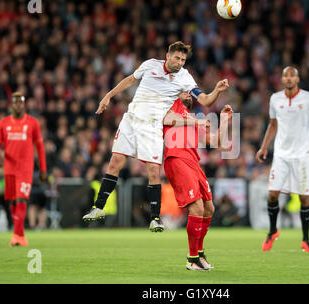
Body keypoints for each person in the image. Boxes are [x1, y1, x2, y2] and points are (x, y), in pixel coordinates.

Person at [82, 41, 229, 232]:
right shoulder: (150, 64)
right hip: (132, 119)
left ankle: (155, 218)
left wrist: (216, 90)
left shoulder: (185, 78)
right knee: (115, 162)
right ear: (168, 56)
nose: (180, 62)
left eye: (183, 59)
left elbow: (205, 100)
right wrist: (108, 95)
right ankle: (98, 207)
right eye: (177, 57)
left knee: (153, 170)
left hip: (152, 125)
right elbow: (130, 80)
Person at [255, 66, 309, 253]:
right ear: (282, 79)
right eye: (285, 76)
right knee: (273, 194)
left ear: (297, 79)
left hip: (302, 156)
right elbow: (273, 125)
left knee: (304, 198)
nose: (288, 79)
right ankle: (273, 231)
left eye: (292, 76)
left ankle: (305, 240)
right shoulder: (275, 99)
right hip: (281, 155)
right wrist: (264, 147)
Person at [163, 92, 233, 270]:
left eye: (189, 92)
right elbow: (167, 118)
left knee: (209, 208)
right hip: (177, 159)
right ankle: (192, 257)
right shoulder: (173, 105)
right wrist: (196, 121)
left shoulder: (192, 118)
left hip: (194, 163)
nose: (188, 94)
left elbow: (216, 141)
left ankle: (199, 253)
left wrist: (224, 120)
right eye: (184, 91)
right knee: (197, 207)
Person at [0, 92, 47, 246]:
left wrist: (43, 169)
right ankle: (20, 235)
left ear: (23, 104)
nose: (17, 105)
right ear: (11, 104)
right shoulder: (3, 123)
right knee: (12, 202)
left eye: (20, 102)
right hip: (9, 169)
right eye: (15, 102)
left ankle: (16, 235)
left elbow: (40, 147)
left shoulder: (32, 123)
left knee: (21, 199)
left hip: (25, 169)